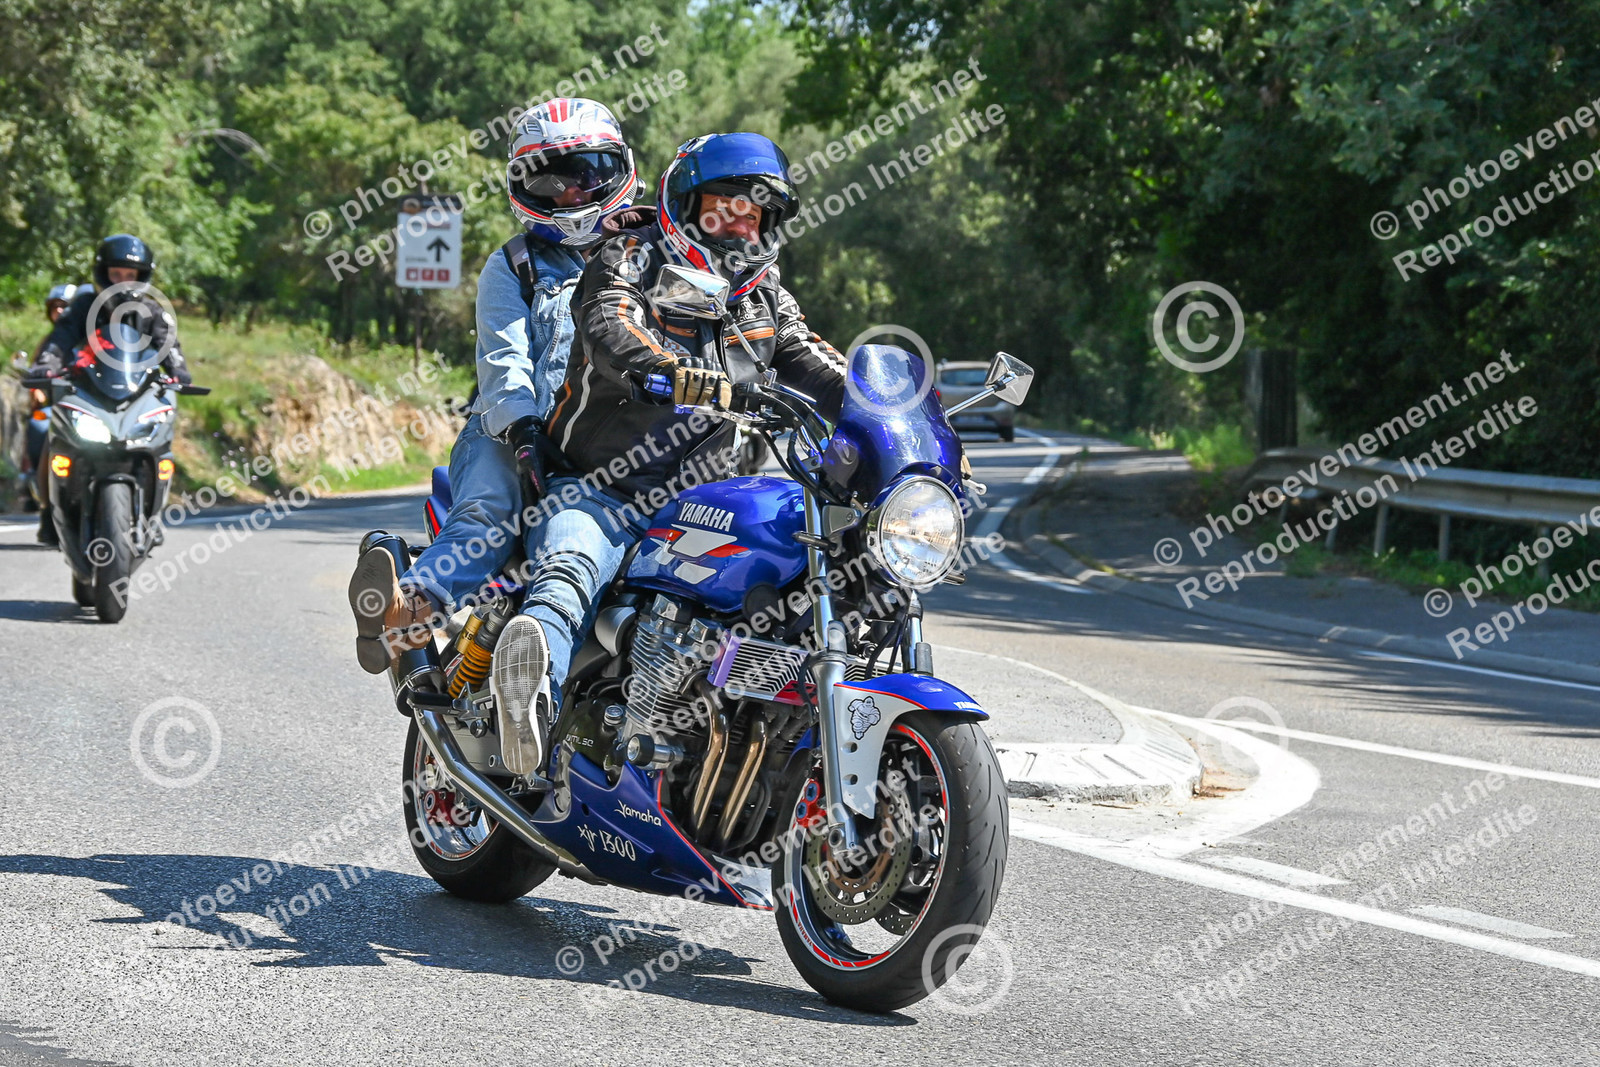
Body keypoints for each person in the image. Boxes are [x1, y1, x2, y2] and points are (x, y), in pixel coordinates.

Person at [467, 131, 848, 774]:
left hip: (708, 499)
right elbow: (610, 326)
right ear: (685, 206)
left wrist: (900, 419)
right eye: (723, 210)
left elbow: (818, 365)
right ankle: (530, 702)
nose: (738, 227)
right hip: (601, 484)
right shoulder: (628, 257)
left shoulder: (764, 297)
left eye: (753, 216)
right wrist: (681, 376)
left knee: (803, 570)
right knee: (568, 568)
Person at [349, 97, 640, 674]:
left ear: (618, 168)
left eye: (586, 174)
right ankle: (408, 605)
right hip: (510, 431)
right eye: (551, 183)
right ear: (524, 188)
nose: (572, 195)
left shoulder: (652, 254)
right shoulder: (514, 265)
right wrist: (524, 433)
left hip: (615, 442)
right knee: (492, 511)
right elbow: (503, 360)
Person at [30, 236, 190, 544]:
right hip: (87, 390)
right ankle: (49, 511)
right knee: (55, 438)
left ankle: (153, 513)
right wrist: (46, 365)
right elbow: (60, 338)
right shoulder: (83, 306)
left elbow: (169, 345)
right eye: (116, 273)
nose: (122, 281)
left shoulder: (152, 310)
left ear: (142, 277)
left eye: (130, 275)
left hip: (137, 394)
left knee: (161, 442)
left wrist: (179, 373)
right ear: (102, 273)